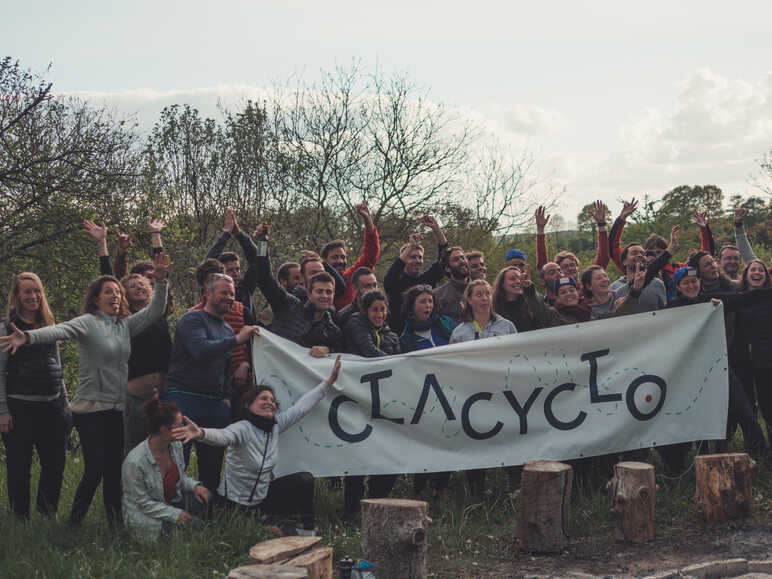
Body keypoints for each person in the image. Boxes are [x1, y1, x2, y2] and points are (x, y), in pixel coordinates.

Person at [0, 253, 170, 525]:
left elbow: (155, 310)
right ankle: (75, 521)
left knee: (114, 469)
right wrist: (28, 336)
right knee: (96, 469)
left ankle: (115, 521)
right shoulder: (88, 322)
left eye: (117, 292)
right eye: (108, 292)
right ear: (96, 298)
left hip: (116, 407)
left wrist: (161, 281)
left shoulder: (125, 325)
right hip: (90, 409)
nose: (115, 296)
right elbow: (58, 331)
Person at [173, 355, 343, 533]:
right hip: (235, 504)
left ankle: (308, 527)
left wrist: (328, 382)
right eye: (263, 399)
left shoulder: (275, 426)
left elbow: (301, 407)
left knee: (304, 479)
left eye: (272, 400)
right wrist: (201, 433)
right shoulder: (242, 428)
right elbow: (223, 436)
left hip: (261, 500)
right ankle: (268, 525)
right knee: (275, 531)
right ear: (248, 404)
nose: (269, 402)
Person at [83, 217, 174, 456]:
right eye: (132, 285)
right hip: (135, 397)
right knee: (133, 450)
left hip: (164, 393)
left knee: (164, 450)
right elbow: (108, 278)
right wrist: (103, 246)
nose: (138, 286)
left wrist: (156, 235)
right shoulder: (123, 320)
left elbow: (161, 267)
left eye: (143, 283)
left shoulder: (159, 311)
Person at [164, 273, 260, 492]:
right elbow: (200, 350)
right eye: (224, 292)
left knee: (213, 464)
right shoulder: (192, 319)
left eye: (232, 294)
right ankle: (172, 510)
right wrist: (237, 339)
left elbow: (225, 369)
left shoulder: (226, 328)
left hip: (215, 404)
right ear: (207, 294)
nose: (229, 298)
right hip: (183, 398)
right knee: (178, 460)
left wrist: (226, 396)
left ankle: (208, 511)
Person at [0, 273, 69, 521]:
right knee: (19, 467)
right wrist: (2, 410)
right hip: (19, 408)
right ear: (17, 296)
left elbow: (57, 367)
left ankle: (47, 513)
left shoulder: (50, 326)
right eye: (27, 292)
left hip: (52, 405)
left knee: (55, 463)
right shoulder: (6, 327)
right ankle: (21, 518)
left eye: (37, 291)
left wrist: (65, 403)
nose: (33, 296)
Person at [449, 279, 516, 494]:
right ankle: (477, 490)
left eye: (487, 293)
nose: (484, 298)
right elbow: (451, 365)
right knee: (476, 439)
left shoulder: (507, 326)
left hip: (502, 393)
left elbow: (518, 358)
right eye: (478, 294)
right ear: (468, 300)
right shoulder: (460, 332)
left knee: (509, 436)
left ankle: (514, 485)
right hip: (472, 395)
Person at [342, 290, 399, 518]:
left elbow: (401, 365)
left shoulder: (391, 335)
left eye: (383, 309)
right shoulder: (355, 323)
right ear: (365, 311)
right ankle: (351, 509)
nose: (379, 314)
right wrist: (393, 362)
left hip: (384, 401)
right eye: (375, 309)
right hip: (357, 397)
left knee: (387, 455)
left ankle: (375, 503)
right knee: (358, 456)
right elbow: (367, 351)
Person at [122, 397, 210, 539]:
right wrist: (175, 515)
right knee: (197, 527)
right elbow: (143, 503)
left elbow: (180, 478)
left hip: (170, 503)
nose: (184, 428)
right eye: (179, 425)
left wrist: (195, 486)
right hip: (148, 515)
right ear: (164, 430)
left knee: (204, 499)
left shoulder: (175, 446)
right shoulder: (135, 461)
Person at [398, 285, 455, 496]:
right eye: (422, 301)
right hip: (424, 397)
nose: (428, 306)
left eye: (430, 301)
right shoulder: (405, 338)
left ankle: (441, 488)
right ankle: (419, 489)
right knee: (425, 442)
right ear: (412, 307)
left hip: (452, 391)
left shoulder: (447, 324)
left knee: (448, 438)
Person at [255, 233, 344, 355]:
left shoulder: (332, 328)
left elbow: (343, 350)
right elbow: (263, 275)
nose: (324, 296)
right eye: (319, 291)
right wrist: (262, 242)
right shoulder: (287, 304)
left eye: (329, 292)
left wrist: (328, 350)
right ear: (308, 293)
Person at [384, 216, 448, 333]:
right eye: (412, 257)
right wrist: (411, 246)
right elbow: (390, 277)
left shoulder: (426, 280)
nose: (417, 260)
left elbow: (444, 258)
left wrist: (437, 230)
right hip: (403, 339)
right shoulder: (396, 283)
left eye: (420, 257)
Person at [321, 201, 381, 310]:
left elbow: (370, 254)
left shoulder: (350, 277)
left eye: (343, 257)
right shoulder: (316, 285)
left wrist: (367, 219)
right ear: (324, 260)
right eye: (335, 257)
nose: (340, 261)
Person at [205, 209, 262, 319]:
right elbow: (208, 263)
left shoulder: (244, 288)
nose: (236, 274)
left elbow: (259, 261)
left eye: (237, 269)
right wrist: (226, 234)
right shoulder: (212, 292)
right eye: (230, 270)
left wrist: (239, 233)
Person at [434, 246, 469, 322]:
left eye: (463, 258)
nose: (462, 261)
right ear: (447, 268)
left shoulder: (481, 289)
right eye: (456, 260)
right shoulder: (439, 296)